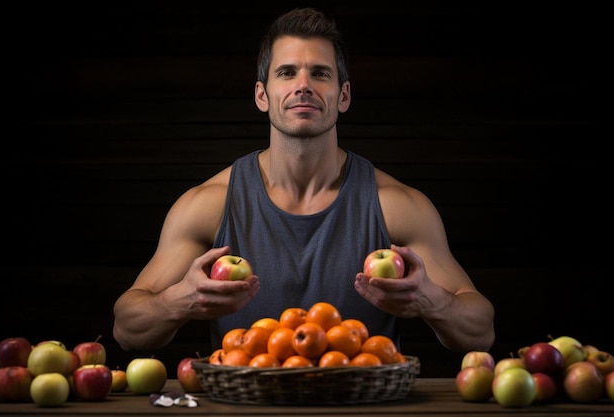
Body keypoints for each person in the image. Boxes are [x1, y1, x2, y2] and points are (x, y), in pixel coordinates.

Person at [112, 7, 495, 354]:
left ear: (343, 96)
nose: (303, 85)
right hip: (244, 410)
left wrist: (430, 299)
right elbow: (127, 328)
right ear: (262, 95)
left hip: (362, 409)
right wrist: (182, 299)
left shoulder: (396, 205)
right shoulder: (208, 204)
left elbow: (480, 332)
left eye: (321, 73)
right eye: (286, 72)